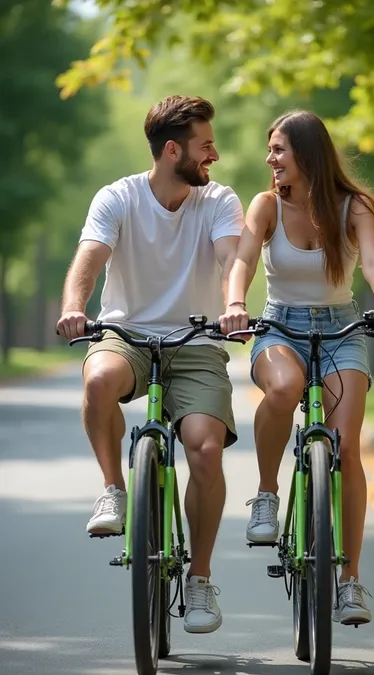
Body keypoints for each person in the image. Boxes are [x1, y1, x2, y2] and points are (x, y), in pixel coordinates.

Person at [57, 95, 244, 634]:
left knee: (206, 451)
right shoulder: (117, 198)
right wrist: (74, 309)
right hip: (127, 335)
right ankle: (115, 487)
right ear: (171, 150)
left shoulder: (219, 201)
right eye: (205, 145)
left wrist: (234, 304)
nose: (214, 154)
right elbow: (88, 262)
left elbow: (232, 256)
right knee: (98, 378)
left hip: (198, 343)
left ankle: (201, 580)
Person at [220, 109, 374, 626]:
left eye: (278, 148)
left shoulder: (354, 206)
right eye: (269, 149)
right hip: (280, 326)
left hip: (342, 327)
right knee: (283, 389)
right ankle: (266, 495)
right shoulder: (265, 207)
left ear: (306, 153)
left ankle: (350, 582)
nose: (270, 159)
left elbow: (372, 261)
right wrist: (236, 302)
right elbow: (242, 261)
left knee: (346, 446)